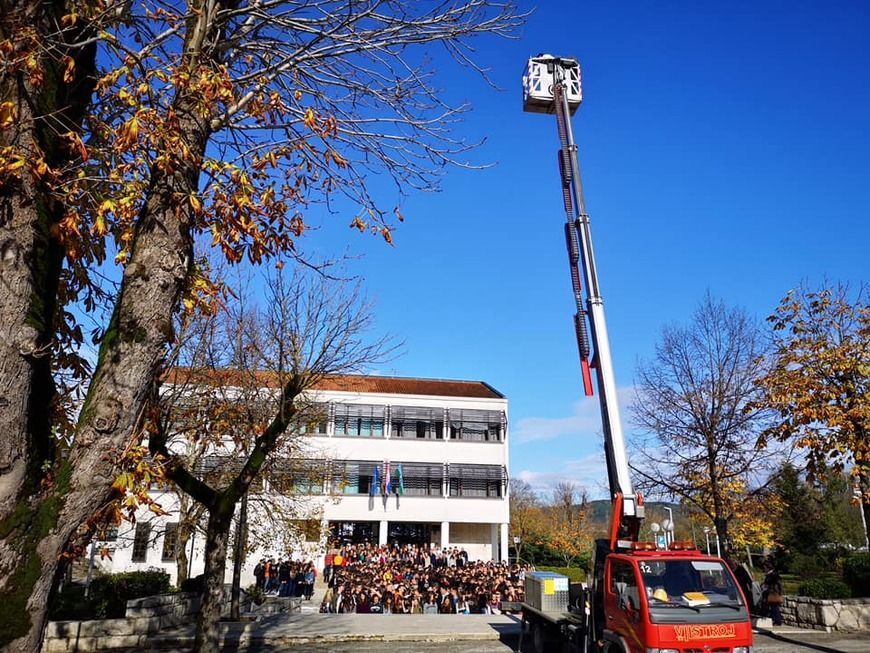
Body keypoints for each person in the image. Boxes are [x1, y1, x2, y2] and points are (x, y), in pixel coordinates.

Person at [763, 561, 784, 626]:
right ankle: (776, 620)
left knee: (774, 607)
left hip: (773, 592)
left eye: (765, 567)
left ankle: (777, 621)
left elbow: (768, 583)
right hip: (775, 592)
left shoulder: (771, 575)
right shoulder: (775, 574)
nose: (764, 569)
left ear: (767, 567)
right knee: (774, 607)